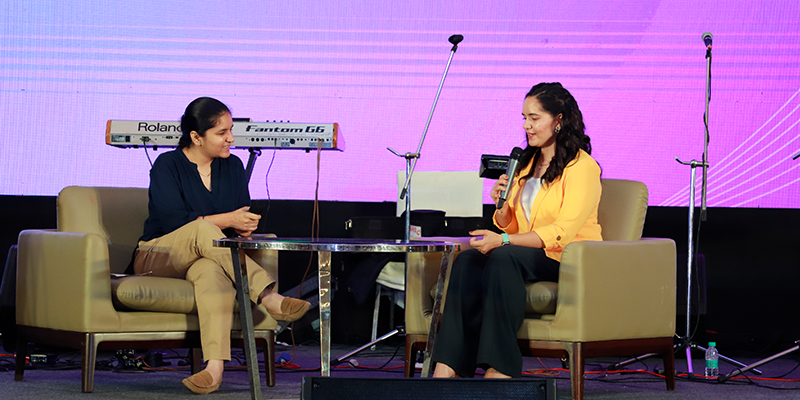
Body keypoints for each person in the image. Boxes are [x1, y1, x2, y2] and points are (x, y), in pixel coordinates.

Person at [132, 97, 311, 394]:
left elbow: (236, 220)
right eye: (221, 132)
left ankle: (213, 369)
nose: (231, 138)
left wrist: (245, 227)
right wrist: (228, 219)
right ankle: (267, 295)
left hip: (207, 256)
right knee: (203, 228)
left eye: (231, 129)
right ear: (196, 137)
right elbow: (174, 221)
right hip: (158, 255)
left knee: (210, 271)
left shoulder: (233, 167)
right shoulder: (168, 165)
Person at [431, 82, 603, 379]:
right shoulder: (527, 162)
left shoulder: (582, 167)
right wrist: (501, 207)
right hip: (527, 251)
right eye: (524, 118)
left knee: (504, 256)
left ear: (558, 120)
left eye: (534, 118)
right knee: (468, 261)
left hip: (567, 258)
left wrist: (505, 240)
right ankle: (450, 365)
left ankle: (502, 367)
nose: (527, 126)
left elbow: (561, 231)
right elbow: (511, 223)